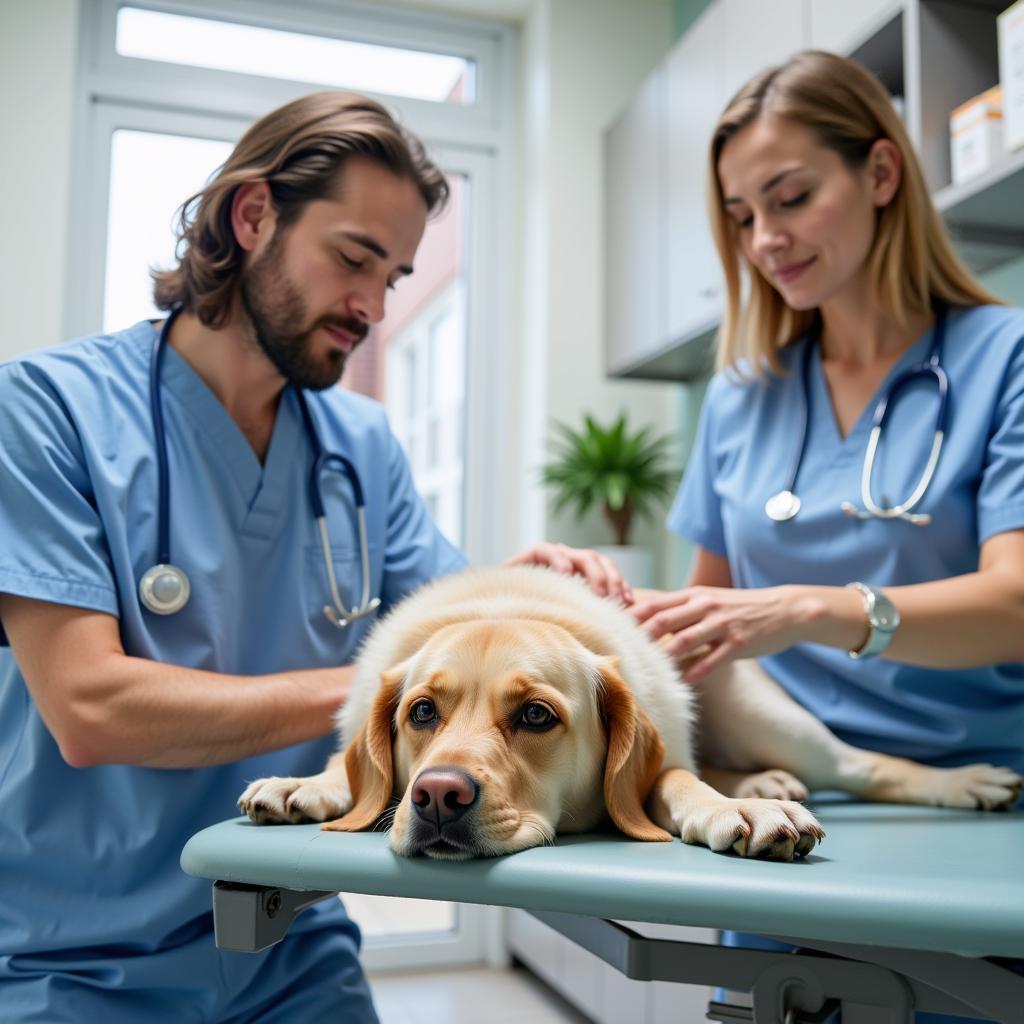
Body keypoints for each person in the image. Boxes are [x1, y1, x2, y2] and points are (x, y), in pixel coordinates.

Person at [0, 91, 627, 1023]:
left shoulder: (359, 444)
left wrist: (530, 595)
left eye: (397, 275)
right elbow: (90, 709)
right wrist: (384, 692)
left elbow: (457, 628)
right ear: (252, 217)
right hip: (75, 958)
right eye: (354, 258)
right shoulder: (45, 411)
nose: (374, 305)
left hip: (289, 944)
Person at [631, 51, 1024, 1024]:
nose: (764, 238)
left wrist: (814, 611)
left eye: (791, 197)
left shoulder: (1002, 357)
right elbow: (704, 640)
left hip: (976, 821)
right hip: (787, 827)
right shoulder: (739, 397)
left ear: (880, 174)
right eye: (739, 215)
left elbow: (1015, 605)